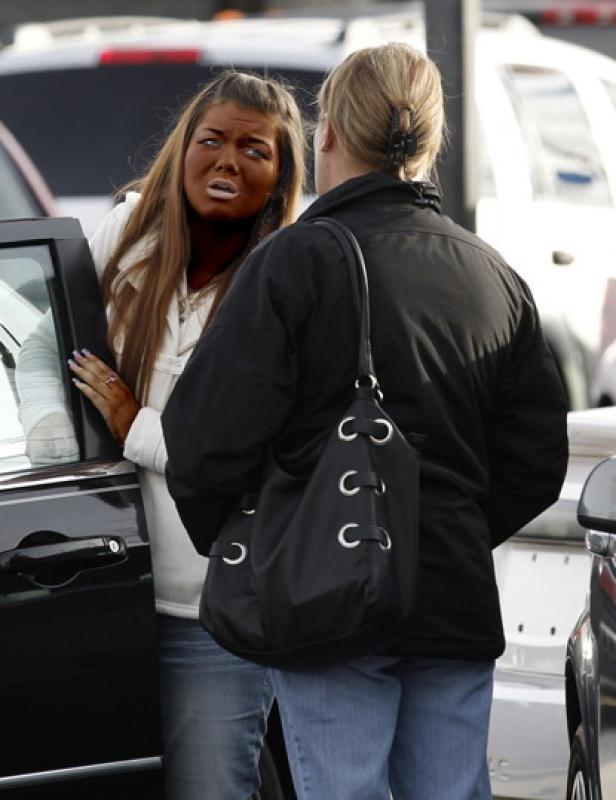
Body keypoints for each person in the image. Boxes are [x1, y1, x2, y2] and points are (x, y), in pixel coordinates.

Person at [161, 44, 568, 800]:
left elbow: (202, 441)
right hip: (453, 595)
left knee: (342, 789)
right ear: (428, 144)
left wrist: (269, 539)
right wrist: (445, 524)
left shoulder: (295, 261)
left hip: (326, 598)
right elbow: (538, 459)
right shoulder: (491, 272)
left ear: (329, 135)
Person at [16, 70, 306, 800]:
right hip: (101, 600)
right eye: (210, 141)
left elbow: (250, 454)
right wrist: (60, 441)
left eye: (253, 149)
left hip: (212, 614)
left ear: (279, 176)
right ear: (182, 149)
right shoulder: (127, 233)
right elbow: (45, 350)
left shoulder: (289, 276)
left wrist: (132, 426)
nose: (227, 162)